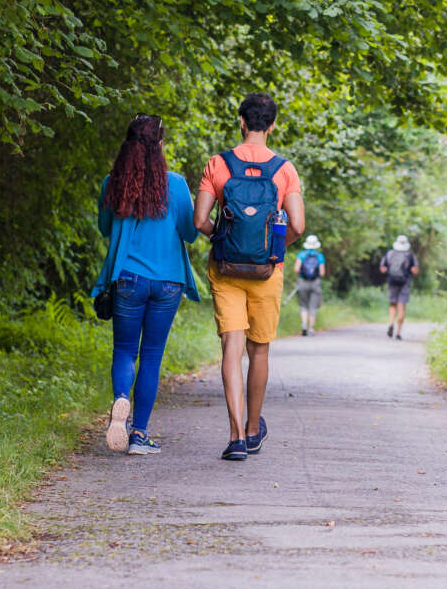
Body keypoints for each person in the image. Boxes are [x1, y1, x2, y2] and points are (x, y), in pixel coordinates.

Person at [194, 93, 306, 461]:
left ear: (241, 120)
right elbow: (298, 226)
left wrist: (223, 239)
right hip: (267, 272)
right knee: (259, 351)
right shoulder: (284, 169)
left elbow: (199, 221)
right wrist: (273, 250)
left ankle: (236, 436)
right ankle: (255, 428)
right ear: (272, 124)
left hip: (225, 270)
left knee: (232, 348)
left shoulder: (218, 164)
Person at [91, 114, 200, 456]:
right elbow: (191, 233)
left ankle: (121, 398)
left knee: (125, 350)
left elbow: (105, 228)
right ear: (161, 145)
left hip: (127, 279)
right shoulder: (177, 185)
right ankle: (139, 435)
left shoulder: (114, 183)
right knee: (151, 356)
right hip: (167, 282)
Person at [380, 235, 420, 340]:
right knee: (401, 306)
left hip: (392, 282)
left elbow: (383, 269)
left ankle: (391, 323)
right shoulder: (410, 255)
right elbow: (415, 271)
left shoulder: (390, 253)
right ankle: (398, 332)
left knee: (392, 305)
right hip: (405, 283)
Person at [293, 235, 326, 336]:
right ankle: (311, 328)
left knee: (304, 305)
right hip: (315, 283)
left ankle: (304, 326)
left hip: (303, 282)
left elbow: (296, 269)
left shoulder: (302, 254)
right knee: (313, 307)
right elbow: (322, 273)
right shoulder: (319, 256)